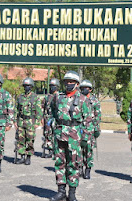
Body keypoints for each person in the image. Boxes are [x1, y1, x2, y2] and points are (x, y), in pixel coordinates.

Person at [49, 71, 92, 201]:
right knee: (59, 162)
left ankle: (72, 193)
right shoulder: (58, 97)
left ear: (77, 84)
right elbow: (53, 111)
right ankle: (61, 191)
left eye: (71, 82)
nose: (68, 84)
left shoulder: (83, 99)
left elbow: (88, 119)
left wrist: (85, 138)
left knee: (74, 164)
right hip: (59, 134)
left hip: (74, 136)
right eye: (67, 81)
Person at [15, 77, 42, 165]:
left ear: (31, 87)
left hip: (31, 121)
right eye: (25, 86)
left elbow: (39, 111)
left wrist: (37, 122)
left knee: (30, 140)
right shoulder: (20, 97)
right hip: (21, 121)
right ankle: (22, 156)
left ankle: (28, 157)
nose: (27, 87)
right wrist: (15, 121)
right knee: (20, 139)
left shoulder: (35, 97)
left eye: (28, 86)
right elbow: (17, 110)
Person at [79, 79, 101, 179]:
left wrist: (96, 129)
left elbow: (98, 116)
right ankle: (79, 168)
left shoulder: (95, 101)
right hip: (79, 129)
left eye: (86, 88)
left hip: (90, 129)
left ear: (90, 89)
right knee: (78, 150)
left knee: (88, 150)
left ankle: (88, 169)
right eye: (82, 88)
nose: (84, 90)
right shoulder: (78, 99)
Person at [42, 78, 60, 158]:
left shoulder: (60, 96)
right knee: (47, 134)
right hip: (47, 118)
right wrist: (42, 118)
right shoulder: (47, 97)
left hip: (56, 118)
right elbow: (43, 107)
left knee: (57, 135)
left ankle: (57, 152)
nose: (52, 87)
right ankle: (50, 150)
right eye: (51, 86)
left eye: (54, 86)